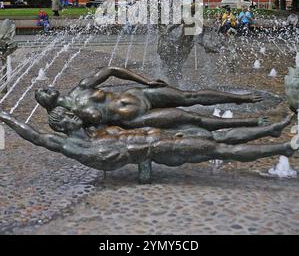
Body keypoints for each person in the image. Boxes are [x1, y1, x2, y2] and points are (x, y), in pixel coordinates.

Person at [0, 110, 297, 173]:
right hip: (161, 149)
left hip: (159, 138)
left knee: (216, 136)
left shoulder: (95, 132)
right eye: (66, 117)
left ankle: (271, 130)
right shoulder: (74, 145)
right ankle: (283, 147)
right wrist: (5, 117)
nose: (73, 116)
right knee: (220, 149)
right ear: (62, 126)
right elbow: (34, 136)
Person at [35, 66, 265, 132]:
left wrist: (145, 82)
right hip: (137, 119)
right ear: (47, 104)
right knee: (190, 118)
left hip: (140, 94)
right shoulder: (62, 120)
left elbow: (112, 70)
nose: (47, 87)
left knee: (189, 96)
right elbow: (84, 139)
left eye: (45, 87)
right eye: (43, 93)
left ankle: (239, 99)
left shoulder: (80, 89)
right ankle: (248, 123)